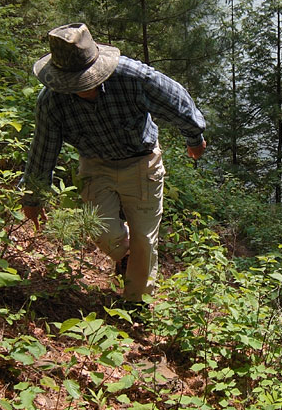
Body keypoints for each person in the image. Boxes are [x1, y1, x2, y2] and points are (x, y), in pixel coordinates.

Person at [21, 22, 206, 304]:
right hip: (95, 165)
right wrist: (33, 197)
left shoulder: (133, 77)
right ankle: (128, 256)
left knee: (145, 239)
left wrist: (194, 137)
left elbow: (176, 99)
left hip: (142, 163)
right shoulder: (51, 102)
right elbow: (43, 147)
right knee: (101, 230)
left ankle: (137, 304)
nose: (80, 88)